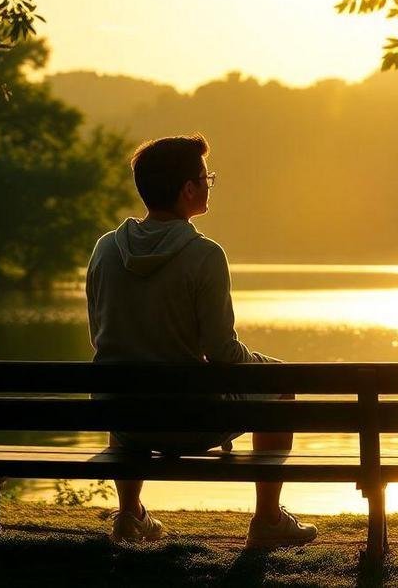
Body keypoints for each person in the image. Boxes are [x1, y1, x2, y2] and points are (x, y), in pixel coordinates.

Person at [85, 132, 317, 549]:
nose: (209, 183)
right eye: (206, 178)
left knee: (124, 374)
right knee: (279, 385)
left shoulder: (104, 250)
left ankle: (129, 516)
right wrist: (268, 366)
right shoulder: (205, 255)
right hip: (187, 421)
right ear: (188, 189)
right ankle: (267, 521)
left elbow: (101, 338)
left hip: (124, 419)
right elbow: (223, 353)